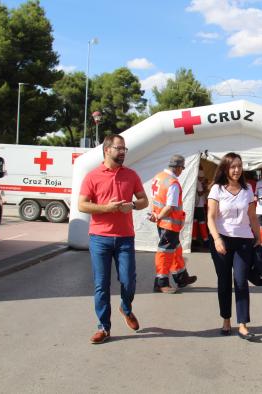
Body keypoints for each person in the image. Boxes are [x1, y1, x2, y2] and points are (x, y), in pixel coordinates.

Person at [79, 134, 149, 344]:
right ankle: (103, 327)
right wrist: (106, 208)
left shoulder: (131, 175)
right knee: (101, 284)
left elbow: (144, 200)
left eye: (124, 149)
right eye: (119, 148)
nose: (122, 152)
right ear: (107, 149)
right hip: (100, 237)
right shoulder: (92, 176)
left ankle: (125, 308)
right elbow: (82, 205)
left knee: (128, 281)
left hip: (125, 237)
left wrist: (133, 206)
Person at [207, 152, 261, 341]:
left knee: (240, 281)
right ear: (226, 169)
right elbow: (211, 217)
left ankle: (243, 324)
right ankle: (226, 319)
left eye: (239, 166)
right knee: (224, 281)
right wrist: (216, 239)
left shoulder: (247, 190)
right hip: (221, 239)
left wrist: (258, 236)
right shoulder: (217, 189)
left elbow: (253, 216)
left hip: (244, 240)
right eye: (233, 167)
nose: (237, 170)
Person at [149, 155, 197, 294]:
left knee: (176, 249)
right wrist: (159, 215)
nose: (182, 171)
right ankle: (161, 283)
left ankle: (181, 277)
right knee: (165, 252)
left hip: (162, 222)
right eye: (182, 168)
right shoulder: (173, 183)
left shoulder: (159, 177)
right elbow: (170, 206)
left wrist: (155, 215)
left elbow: (155, 199)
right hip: (168, 223)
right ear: (177, 168)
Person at [192, 169, 209, 250]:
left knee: (195, 223)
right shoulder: (198, 183)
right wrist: (206, 188)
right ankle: (206, 241)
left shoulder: (195, 182)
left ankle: (194, 239)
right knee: (202, 223)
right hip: (200, 206)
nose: (202, 179)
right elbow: (200, 193)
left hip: (195, 206)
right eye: (201, 177)